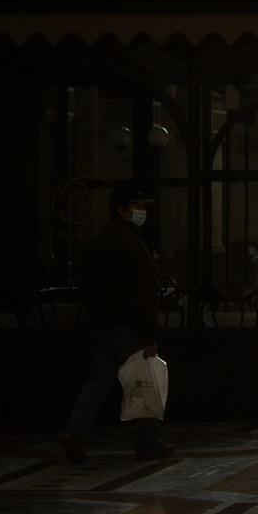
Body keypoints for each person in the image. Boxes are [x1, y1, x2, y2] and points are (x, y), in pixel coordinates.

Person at [60, 182, 171, 463]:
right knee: (144, 382)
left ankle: (74, 431)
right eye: (137, 206)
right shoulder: (131, 245)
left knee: (97, 382)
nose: (142, 211)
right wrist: (149, 337)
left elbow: (86, 286)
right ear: (122, 209)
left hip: (102, 326)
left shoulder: (98, 244)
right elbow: (141, 294)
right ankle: (148, 442)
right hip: (128, 328)